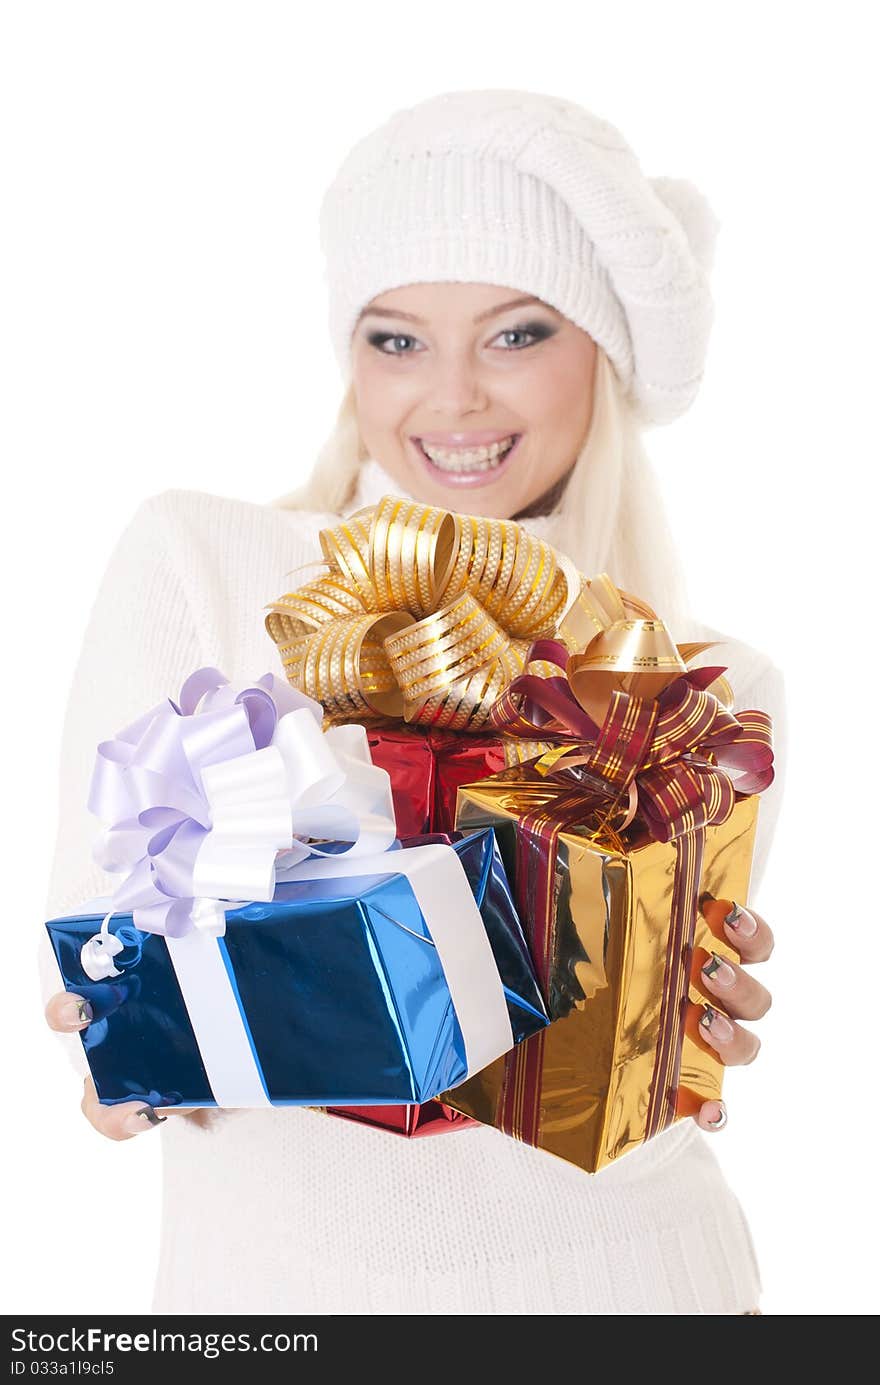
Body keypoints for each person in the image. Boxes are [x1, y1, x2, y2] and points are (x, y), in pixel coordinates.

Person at [40, 88, 785, 1315]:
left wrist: (683, 1049)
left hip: (635, 1286)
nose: (452, 399)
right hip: (276, 1301)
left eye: (517, 333)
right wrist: (124, 1040)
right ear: (349, 356)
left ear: (606, 351)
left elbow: (623, 1123)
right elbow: (106, 1019)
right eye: (396, 338)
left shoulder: (708, 680)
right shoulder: (207, 562)